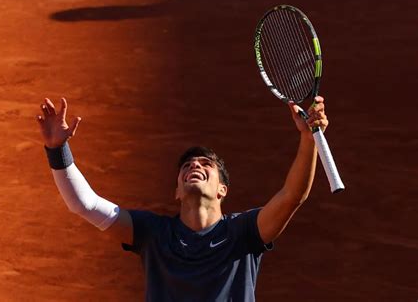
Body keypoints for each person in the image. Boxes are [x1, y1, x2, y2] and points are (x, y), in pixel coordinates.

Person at [36, 96, 329, 301]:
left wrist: (308, 140)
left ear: (222, 190)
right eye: (187, 166)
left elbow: (292, 196)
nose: (195, 167)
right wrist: (58, 151)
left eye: (205, 164)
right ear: (177, 192)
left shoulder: (244, 233)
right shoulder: (153, 234)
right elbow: (85, 205)